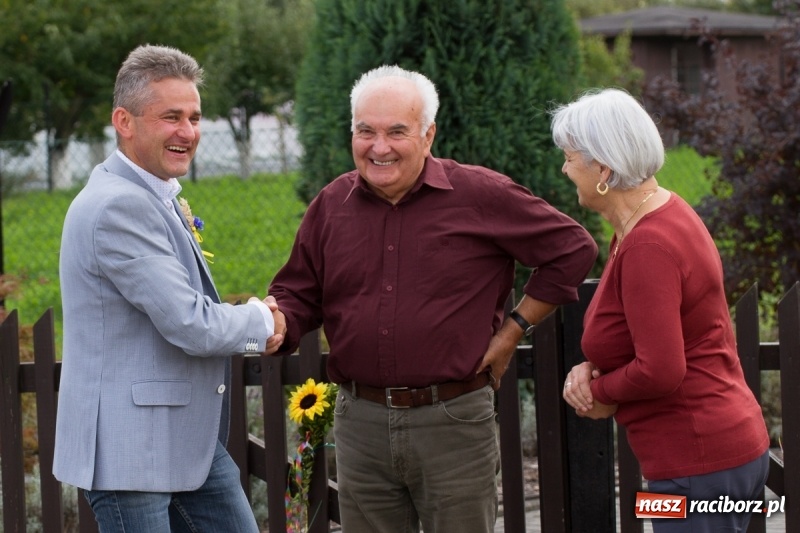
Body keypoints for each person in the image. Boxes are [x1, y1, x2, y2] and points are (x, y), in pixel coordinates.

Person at [267, 65, 597, 532]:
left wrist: (513, 331)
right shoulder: (331, 205)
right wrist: (277, 321)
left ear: (428, 135)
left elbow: (573, 248)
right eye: (366, 132)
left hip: (452, 422)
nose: (379, 147)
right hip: (359, 423)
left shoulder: (480, 194)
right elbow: (298, 292)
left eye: (396, 132)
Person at [53, 44, 285, 532]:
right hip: (130, 454)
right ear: (125, 120)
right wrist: (262, 320)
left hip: (183, 440)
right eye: (171, 117)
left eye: (196, 117)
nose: (188, 132)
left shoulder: (147, 193)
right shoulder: (119, 206)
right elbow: (191, 323)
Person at [553, 88, 770, 532]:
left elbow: (661, 369)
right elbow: (653, 331)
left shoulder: (648, 245)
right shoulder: (660, 214)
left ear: (603, 170)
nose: (563, 168)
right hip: (721, 462)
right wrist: (593, 365)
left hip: (696, 471)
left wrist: (601, 393)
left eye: (570, 157)